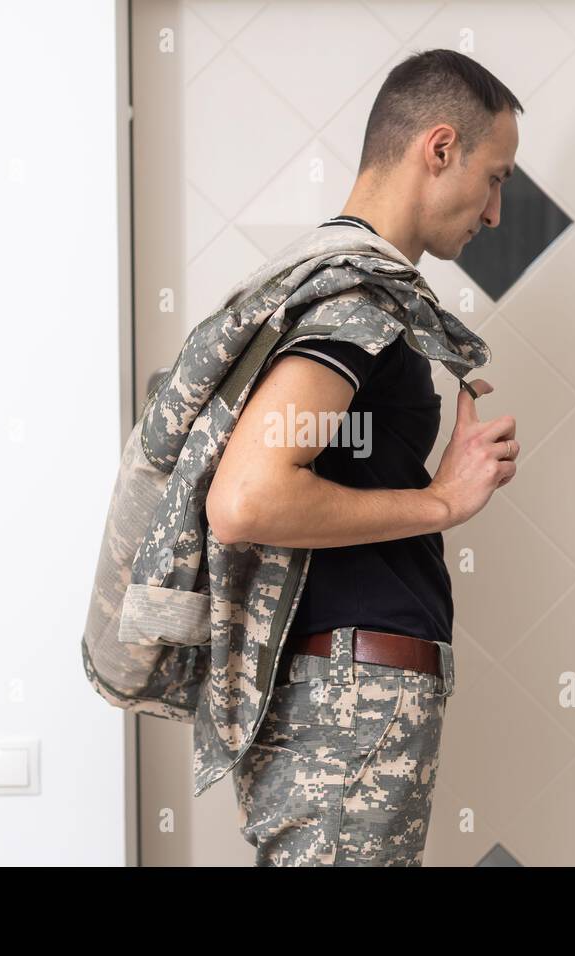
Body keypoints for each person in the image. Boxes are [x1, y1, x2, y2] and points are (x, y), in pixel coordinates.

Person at [205, 49, 522, 866]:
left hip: (344, 701)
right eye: (495, 178)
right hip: (349, 706)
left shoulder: (350, 287)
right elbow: (245, 500)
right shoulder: (357, 299)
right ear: (440, 148)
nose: (494, 214)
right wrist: (441, 502)